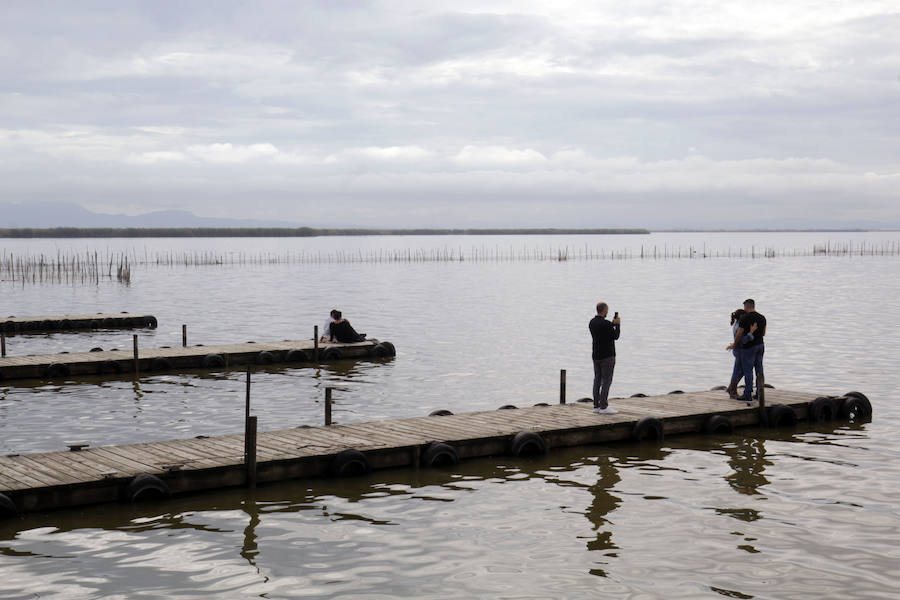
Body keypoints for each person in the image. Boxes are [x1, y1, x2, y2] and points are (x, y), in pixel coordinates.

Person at [728, 299, 766, 402]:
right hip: (760, 345)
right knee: (759, 369)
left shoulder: (745, 319)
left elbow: (739, 334)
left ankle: (748, 393)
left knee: (748, 370)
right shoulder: (762, 318)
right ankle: (759, 392)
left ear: (746, 306)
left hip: (749, 348)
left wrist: (734, 345)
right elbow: (763, 333)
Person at [589, 302, 621, 414]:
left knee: (597, 380)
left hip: (596, 355)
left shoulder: (592, 322)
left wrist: (611, 324)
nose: (607, 312)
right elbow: (615, 336)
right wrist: (617, 325)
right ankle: (604, 406)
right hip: (607, 356)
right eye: (607, 310)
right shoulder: (606, 324)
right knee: (607, 380)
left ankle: (596, 405)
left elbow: (603, 330)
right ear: (604, 310)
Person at [725, 309, 758, 399]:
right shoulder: (740, 325)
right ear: (741, 316)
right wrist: (751, 332)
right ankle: (732, 391)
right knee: (737, 371)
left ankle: (731, 388)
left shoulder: (736, 324)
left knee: (740, 370)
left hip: (737, 350)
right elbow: (743, 340)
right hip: (740, 350)